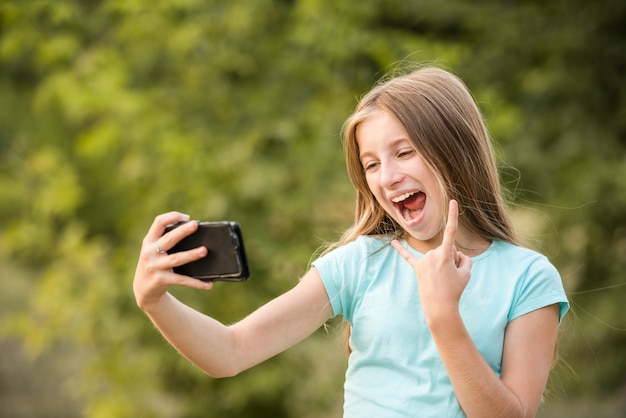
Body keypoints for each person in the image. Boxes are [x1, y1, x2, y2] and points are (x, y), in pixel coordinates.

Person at [133, 66, 569, 417]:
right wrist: (155, 302)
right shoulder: (360, 263)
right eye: (372, 164)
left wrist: (442, 316)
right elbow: (229, 353)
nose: (388, 176)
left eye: (404, 152)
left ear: (455, 151)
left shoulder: (527, 278)